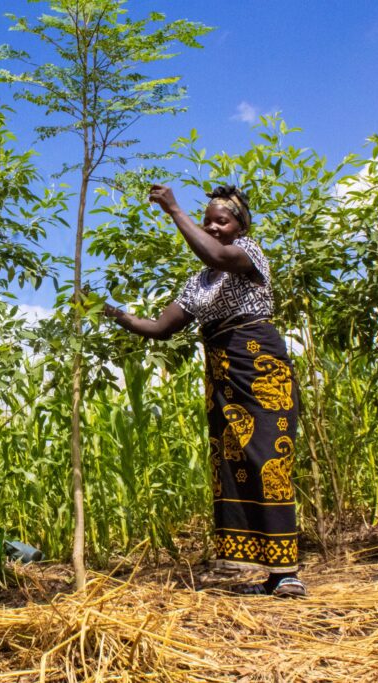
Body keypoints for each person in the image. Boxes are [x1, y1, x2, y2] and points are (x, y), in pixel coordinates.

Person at [103, 184, 305, 597]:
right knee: (233, 462)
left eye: (221, 220)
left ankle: (286, 572)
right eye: (208, 219)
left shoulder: (248, 253)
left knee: (269, 460)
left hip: (259, 367)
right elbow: (160, 328)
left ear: (239, 226)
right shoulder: (199, 282)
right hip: (223, 374)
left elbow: (214, 253)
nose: (212, 226)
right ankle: (262, 571)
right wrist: (111, 313)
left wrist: (174, 209)